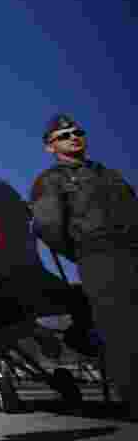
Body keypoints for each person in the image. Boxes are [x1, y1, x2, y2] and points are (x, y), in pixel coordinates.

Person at [30, 114, 137, 418]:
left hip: (133, 254)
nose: (73, 137)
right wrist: (86, 252)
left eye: (77, 132)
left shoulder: (111, 175)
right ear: (50, 147)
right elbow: (49, 228)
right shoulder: (50, 181)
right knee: (121, 333)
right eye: (64, 135)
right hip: (99, 258)